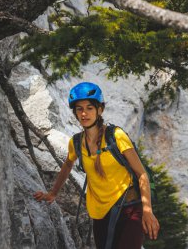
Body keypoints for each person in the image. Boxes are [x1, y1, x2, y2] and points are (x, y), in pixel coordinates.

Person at [33, 82, 160, 249]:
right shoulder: (77, 142)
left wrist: (147, 211)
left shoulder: (116, 136)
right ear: (75, 112)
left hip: (130, 208)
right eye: (79, 109)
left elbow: (141, 174)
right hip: (101, 215)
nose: (84, 113)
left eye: (89, 108)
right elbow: (67, 166)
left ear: (100, 109)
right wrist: (53, 193)